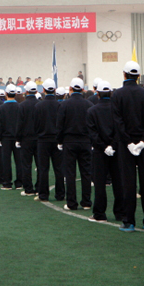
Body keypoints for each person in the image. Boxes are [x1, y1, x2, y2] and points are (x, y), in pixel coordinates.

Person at [112, 61, 144, 232]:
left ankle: (128, 221)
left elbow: (118, 122)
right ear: (138, 76)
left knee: (128, 183)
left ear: (124, 74)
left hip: (126, 144)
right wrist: (143, 141)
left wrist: (129, 142)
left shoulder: (117, 94)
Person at [87, 80, 123, 222]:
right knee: (118, 183)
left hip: (99, 152)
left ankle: (100, 214)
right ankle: (120, 213)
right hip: (116, 151)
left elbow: (93, 133)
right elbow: (120, 130)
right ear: (110, 93)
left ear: (98, 93)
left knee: (100, 184)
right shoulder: (117, 110)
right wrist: (112, 145)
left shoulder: (92, 111)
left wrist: (103, 147)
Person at [57, 77, 93, 211]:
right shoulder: (89, 104)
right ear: (82, 89)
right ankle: (86, 202)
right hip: (85, 141)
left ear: (70, 88)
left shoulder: (64, 105)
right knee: (86, 173)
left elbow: (59, 125)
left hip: (69, 142)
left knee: (70, 173)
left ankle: (71, 203)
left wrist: (59, 141)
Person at [34, 79, 64, 202]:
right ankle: (60, 194)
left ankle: (43, 194)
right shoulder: (60, 105)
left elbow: (36, 125)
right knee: (59, 169)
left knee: (43, 169)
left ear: (43, 90)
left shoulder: (38, 106)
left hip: (43, 140)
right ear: (55, 90)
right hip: (57, 140)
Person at [17, 81, 40, 197]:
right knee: (40, 165)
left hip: (26, 139)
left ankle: (28, 189)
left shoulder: (22, 105)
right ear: (36, 91)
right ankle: (39, 188)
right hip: (39, 139)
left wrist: (18, 139)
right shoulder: (40, 104)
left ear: (26, 91)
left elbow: (19, 124)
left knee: (26, 165)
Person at [0, 84, 21, 190]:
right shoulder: (19, 107)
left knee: (6, 161)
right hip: (17, 138)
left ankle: (7, 183)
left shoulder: (1, 108)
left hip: (5, 138)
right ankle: (19, 183)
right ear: (15, 94)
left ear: (6, 93)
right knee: (19, 161)